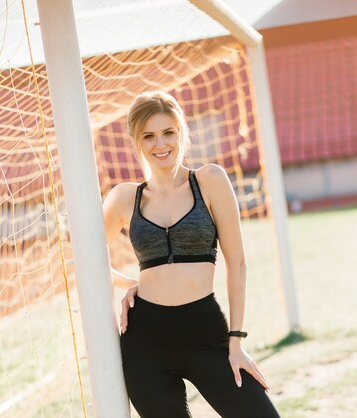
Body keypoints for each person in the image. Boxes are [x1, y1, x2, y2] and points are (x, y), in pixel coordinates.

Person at [102, 91, 280, 418]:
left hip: (205, 332)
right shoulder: (125, 197)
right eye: (149, 136)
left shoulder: (209, 180)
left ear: (181, 132)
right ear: (136, 141)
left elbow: (237, 263)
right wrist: (131, 281)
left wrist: (236, 340)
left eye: (168, 132)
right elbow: (78, 262)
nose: (161, 144)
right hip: (145, 343)